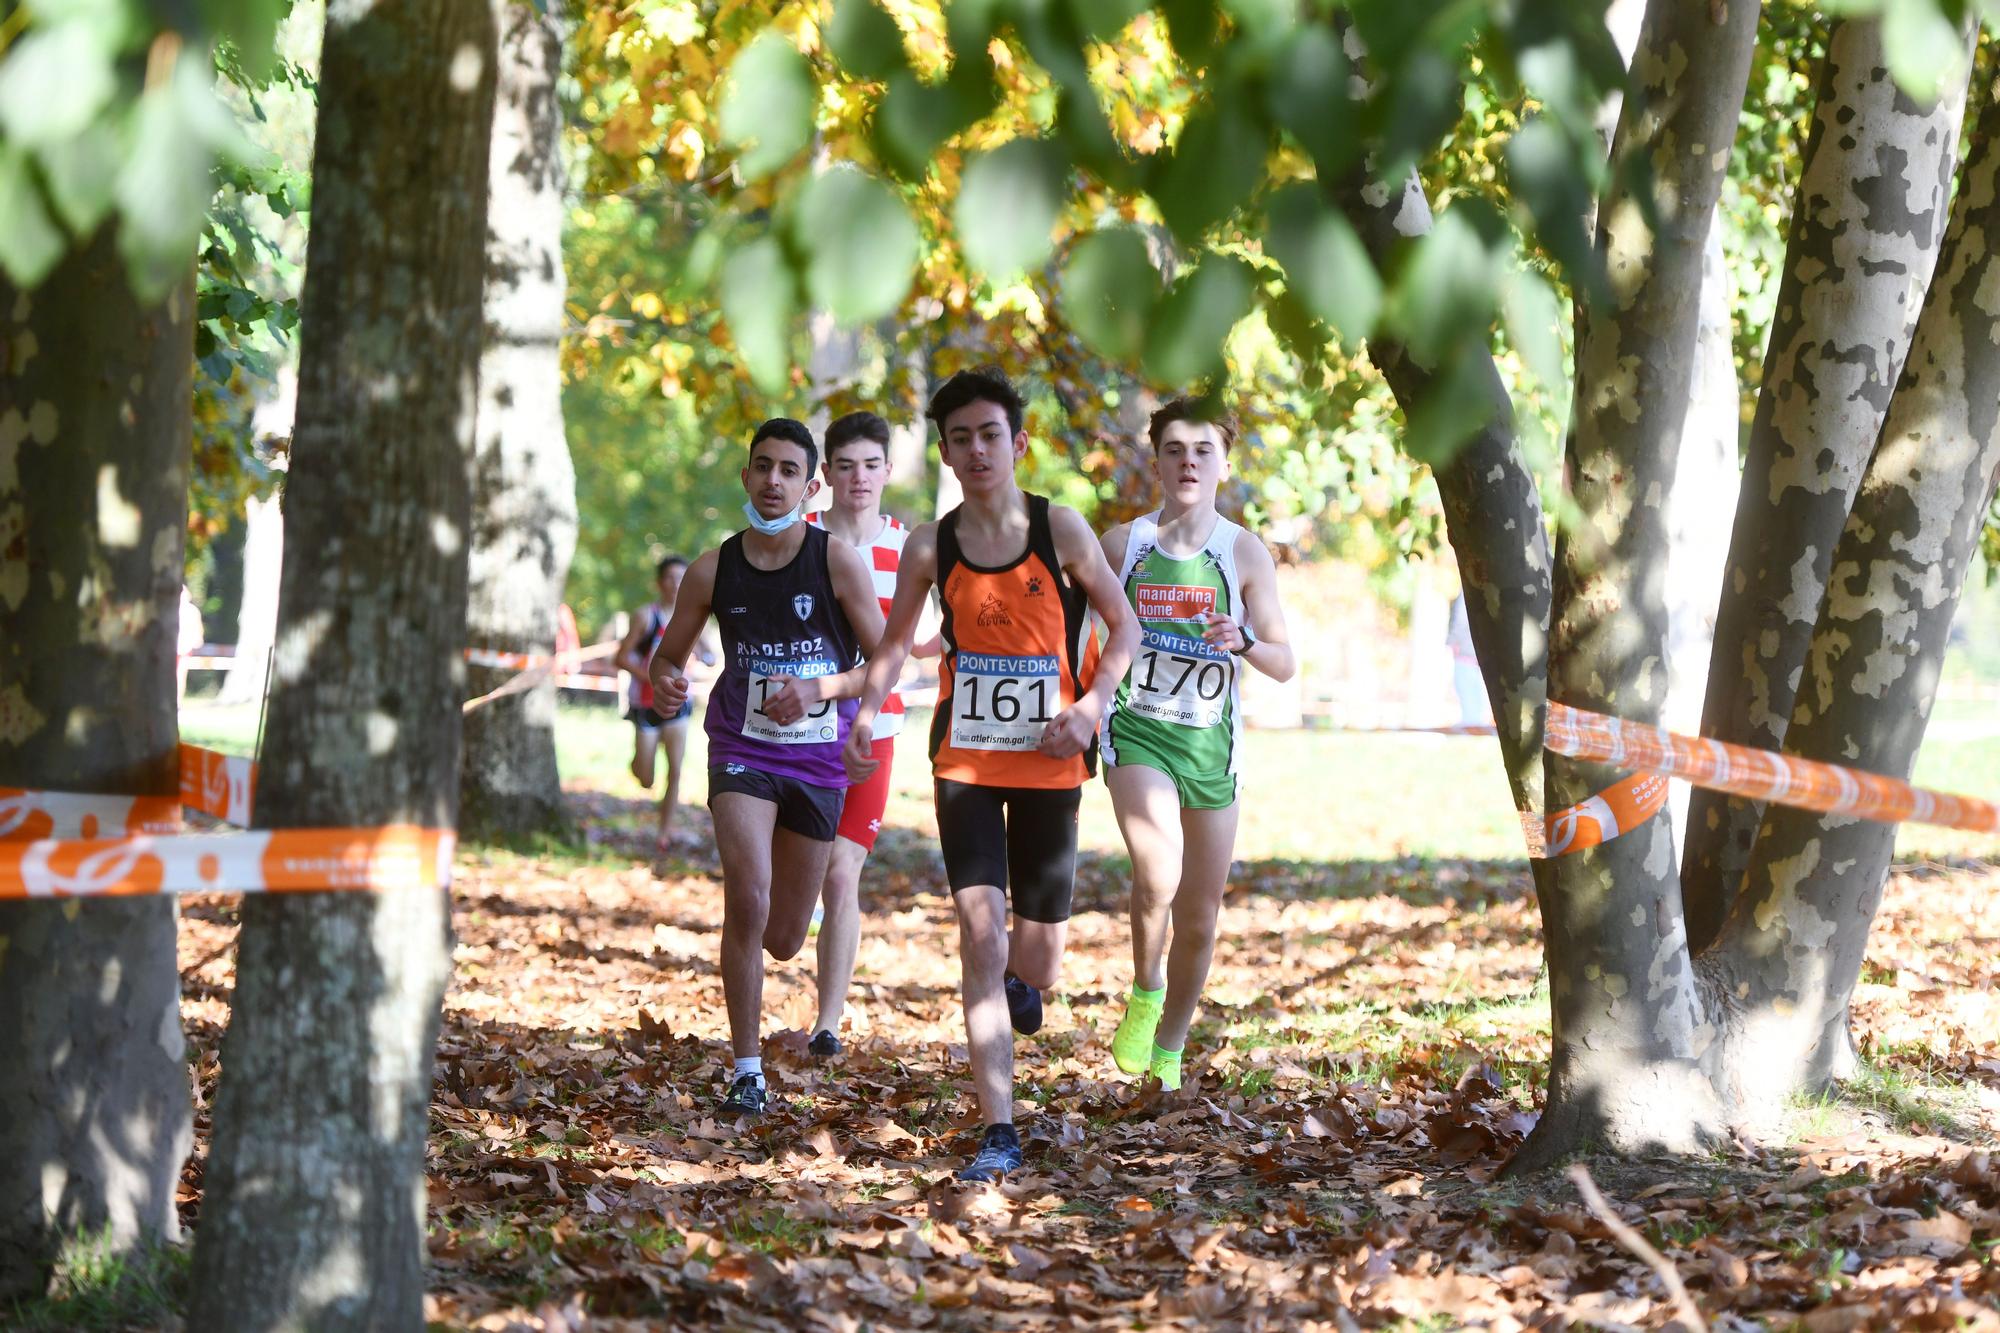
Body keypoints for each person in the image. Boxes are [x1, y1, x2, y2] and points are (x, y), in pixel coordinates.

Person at [845, 368, 1137, 1182]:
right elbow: (895, 646)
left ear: (1019, 441)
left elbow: (1125, 625)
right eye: (960, 438)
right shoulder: (932, 545)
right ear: (945, 451)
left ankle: (1021, 982)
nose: (976, 450)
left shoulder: (1063, 530)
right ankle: (998, 1128)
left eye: (989, 434)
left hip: (1051, 763)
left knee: (1036, 961)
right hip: (965, 762)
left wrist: (1094, 705)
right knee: (980, 933)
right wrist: (868, 712)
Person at [647, 419, 886, 1117]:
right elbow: (671, 655)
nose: (773, 480)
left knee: (784, 937)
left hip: (816, 759)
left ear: (811, 487)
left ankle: (778, 968)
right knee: (746, 899)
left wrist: (823, 690)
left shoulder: (837, 561)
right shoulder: (714, 567)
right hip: (741, 748)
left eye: (788, 470)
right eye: (762, 467)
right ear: (747, 476)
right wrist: (667, 679)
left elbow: (884, 663)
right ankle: (746, 1069)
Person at [1098, 398, 1295, 1091]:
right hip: (1138, 728)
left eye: (1203, 451)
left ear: (1224, 464)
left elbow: (1283, 659)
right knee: (1158, 870)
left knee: (1202, 917)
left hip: (1212, 745)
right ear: (1156, 462)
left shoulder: (1241, 551)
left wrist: (1242, 639)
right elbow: (1076, 626)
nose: (1188, 462)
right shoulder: (1125, 545)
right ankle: (1146, 988)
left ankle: (1171, 1046)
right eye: (1175, 450)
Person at [802, 411, 940, 1058]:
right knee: (795, 877)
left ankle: (827, 1022)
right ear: (826, 474)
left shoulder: (910, 547)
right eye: (846, 466)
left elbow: (918, 643)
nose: (859, 478)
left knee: (841, 870)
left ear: (889, 471)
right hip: (793, 732)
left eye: (871, 465)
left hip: (875, 728)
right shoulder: (796, 538)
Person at [616, 555, 714, 850]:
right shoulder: (646, 616)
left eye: (682, 579)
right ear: (660, 583)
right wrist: (650, 677)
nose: (676, 585)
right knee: (646, 778)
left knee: (675, 770)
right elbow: (620, 657)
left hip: (678, 706)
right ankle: (638, 766)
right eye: (670, 578)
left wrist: (703, 658)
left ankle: (664, 831)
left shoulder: (695, 618)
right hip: (646, 704)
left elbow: (711, 656)